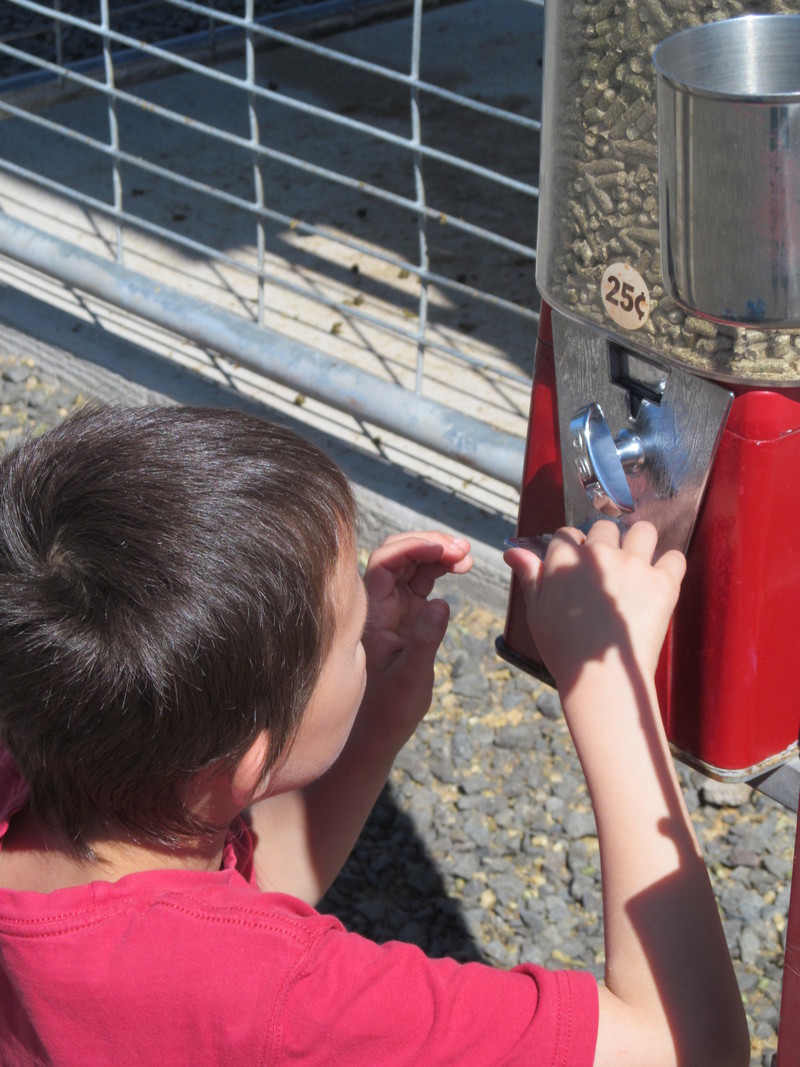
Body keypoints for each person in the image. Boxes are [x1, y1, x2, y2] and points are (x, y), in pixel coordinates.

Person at [0, 405, 748, 1066]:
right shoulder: (292, 1001)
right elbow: (686, 1048)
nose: (368, 612)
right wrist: (609, 682)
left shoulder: (39, 760)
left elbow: (232, 905)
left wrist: (378, 715)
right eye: (351, 631)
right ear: (252, 758)